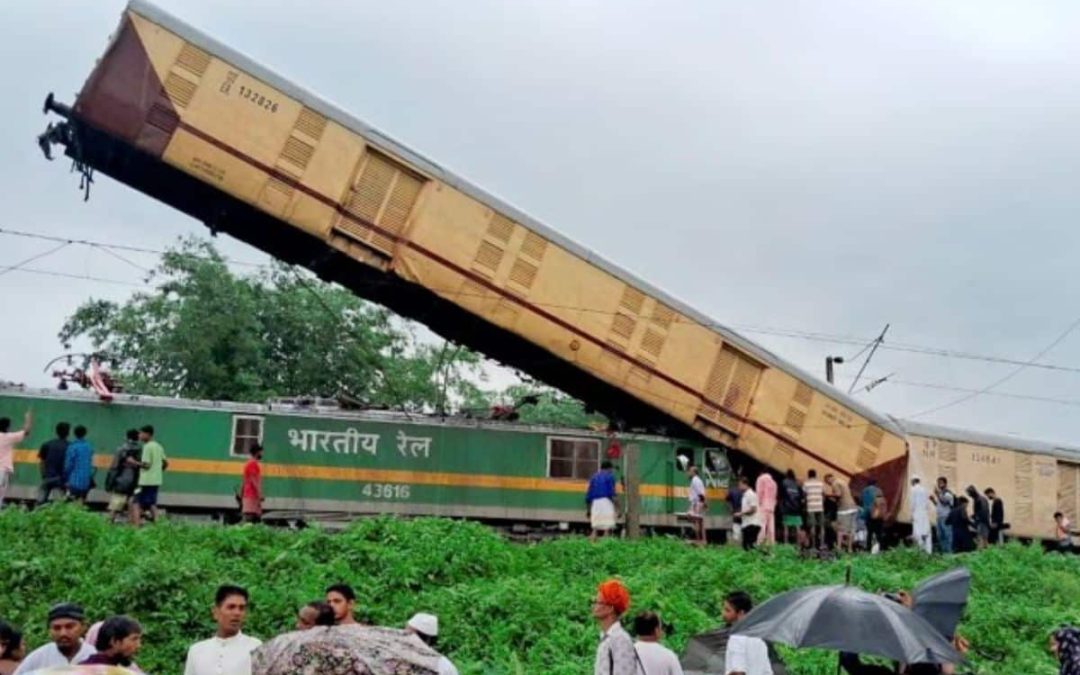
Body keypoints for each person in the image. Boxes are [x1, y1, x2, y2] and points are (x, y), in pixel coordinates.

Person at [183, 584, 262, 675]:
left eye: (241, 608)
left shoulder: (255, 647)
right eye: (231, 607)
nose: (237, 613)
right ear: (215, 612)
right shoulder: (197, 651)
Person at [12, 603, 95, 673]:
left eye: (69, 627)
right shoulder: (38, 658)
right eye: (57, 628)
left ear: (83, 626)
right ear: (49, 630)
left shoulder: (94, 655)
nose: (63, 633)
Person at [592, 579, 638, 675]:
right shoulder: (606, 638)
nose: (594, 606)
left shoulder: (620, 639)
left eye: (598, 602)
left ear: (610, 608)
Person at [723, 591, 772, 675]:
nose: (723, 614)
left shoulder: (737, 637)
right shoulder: (759, 639)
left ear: (741, 613)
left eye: (728, 610)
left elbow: (738, 672)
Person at [105, 429, 142, 524]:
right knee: (131, 503)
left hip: (121, 481)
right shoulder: (140, 450)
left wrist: (109, 483)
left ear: (127, 437)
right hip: (135, 481)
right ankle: (131, 526)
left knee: (116, 504)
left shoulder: (121, 449)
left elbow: (114, 467)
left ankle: (108, 523)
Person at [132, 425, 167, 526]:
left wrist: (134, 462)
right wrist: (157, 471)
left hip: (144, 481)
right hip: (156, 480)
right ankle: (159, 524)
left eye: (141, 433)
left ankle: (136, 527)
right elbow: (165, 463)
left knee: (136, 502)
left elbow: (146, 465)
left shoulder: (147, 447)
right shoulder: (158, 446)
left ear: (147, 434)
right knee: (151, 503)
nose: (139, 435)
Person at [0, 411, 32, 508]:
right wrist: (28, 418)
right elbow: (26, 431)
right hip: (2, 469)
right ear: (7, 427)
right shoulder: (9, 437)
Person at [36, 422, 70, 506]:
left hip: (47, 478)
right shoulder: (70, 446)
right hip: (61, 480)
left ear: (56, 431)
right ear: (68, 433)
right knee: (59, 505)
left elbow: (41, 462)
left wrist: (43, 476)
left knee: (40, 503)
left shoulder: (47, 444)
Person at [587, 461, 619, 542]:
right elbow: (613, 493)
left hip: (595, 503)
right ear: (609, 468)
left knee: (595, 528)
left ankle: (591, 544)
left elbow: (588, 495)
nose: (612, 471)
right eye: (611, 469)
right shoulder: (609, 477)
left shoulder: (593, 477)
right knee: (607, 527)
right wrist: (618, 508)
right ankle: (605, 544)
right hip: (606, 502)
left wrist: (588, 510)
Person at [63, 425, 94, 503]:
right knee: (80, 503)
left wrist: (65, 477)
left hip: (74, 481)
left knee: (71, 503)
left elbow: (68, 465)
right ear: (85, 434)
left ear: (74, 434)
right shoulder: (89, 447)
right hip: (86, 482)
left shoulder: (73, 447)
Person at [829, 475, 858, 553]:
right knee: (851, 530)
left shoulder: (835, 483)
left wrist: (828, 495)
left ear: (829, 479)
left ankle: (839, 548)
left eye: (827, 482)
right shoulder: (843, 481)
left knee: (840, 529)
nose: (828, 484)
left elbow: (838, 494)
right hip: (853, 507)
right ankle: (850, 549)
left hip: (844, 509)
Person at [735, 476, 761, 551]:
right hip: (747, 524)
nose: (739, 487)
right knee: (747, 547)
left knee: (750, 547)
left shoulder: (751, 494)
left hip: (752, 524)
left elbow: (753, 509)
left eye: (740, 485)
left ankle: (767, 556)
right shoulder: (745, 495)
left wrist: (741, 513)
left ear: (745, 484)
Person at [930, 477, 955, 554]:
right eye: (938, 483)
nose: (939, 484)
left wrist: (937, 494)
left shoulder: (948, 493)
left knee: (947, 535)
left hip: (946, 517)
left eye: (941, 482)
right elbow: (939, 505)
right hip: (939, 517)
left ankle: (949, 553)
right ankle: (944, 553)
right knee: (940, 536)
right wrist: (933, 500)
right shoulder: (940, 494)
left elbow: (944, 502)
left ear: (945, 483)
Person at [241, 443, 264, 523]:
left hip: (250, 495)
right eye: (261, 452)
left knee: (254, 518)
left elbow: (244, 481)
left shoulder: (249, 463)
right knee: (249, 518)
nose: (262, 454)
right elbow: (253, 480)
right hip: (251, 495)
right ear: (257, 452)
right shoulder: (252, 464)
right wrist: (260, 494)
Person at [779, 470, 803, 545]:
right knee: (797, 527)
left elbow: (781, 495)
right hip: (796, 509)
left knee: (786, 528)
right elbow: (801, 496)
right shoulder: (797, 484)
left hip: (787, 508)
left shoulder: (783, 482)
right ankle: (798, 545)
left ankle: (786, 544)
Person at [909, 477, 932, 554]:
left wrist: (911, 514)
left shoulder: (913, 489)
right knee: (926, 532)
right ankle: (928, 551)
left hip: (917, 513)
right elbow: (927, 503)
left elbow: (912, 503)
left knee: (918, 533)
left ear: (913, 481)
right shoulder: (924, 489)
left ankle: (920, 551)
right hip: (925, 513)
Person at [803, 469, 825, 549]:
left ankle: (813, 545)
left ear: (808, 475)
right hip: (820, 506)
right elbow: (823, 494)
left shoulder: (806, 483)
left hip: (811, 506)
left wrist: (805, 505)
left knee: (812, 526)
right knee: (821, 526)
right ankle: (822, 544)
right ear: (815, 475)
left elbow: (804, 496)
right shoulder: (820, 483)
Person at [862, 479, 886, 552]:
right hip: (879, 514)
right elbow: (882, 502)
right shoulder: (879, 490)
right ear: (875, 484)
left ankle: (868, 549)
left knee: (869, 533)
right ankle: (881, 548)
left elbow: (861, 501)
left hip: (868, 514)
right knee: (879, 532)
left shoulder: (865, 491)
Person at [754, 472, 777, 546]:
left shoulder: (760, 479)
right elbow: (775, 496)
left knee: (762, 526)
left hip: (763, 506)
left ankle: (760, 543)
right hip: (771, 507)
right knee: (771, 527)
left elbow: (759, 492)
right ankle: (770, 544)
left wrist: (758, 503)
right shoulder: (774, 483)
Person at [688, 465, 707, 546]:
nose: (688, 473)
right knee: (699, 521)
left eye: (690, 471)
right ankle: (702, 539)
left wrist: (700, 504)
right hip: (698, 503)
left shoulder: (695, 480)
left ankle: (699, 540)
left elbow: (700, 494)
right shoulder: (696, 480)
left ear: (693, 472)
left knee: (697, 521)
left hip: (697, 503)